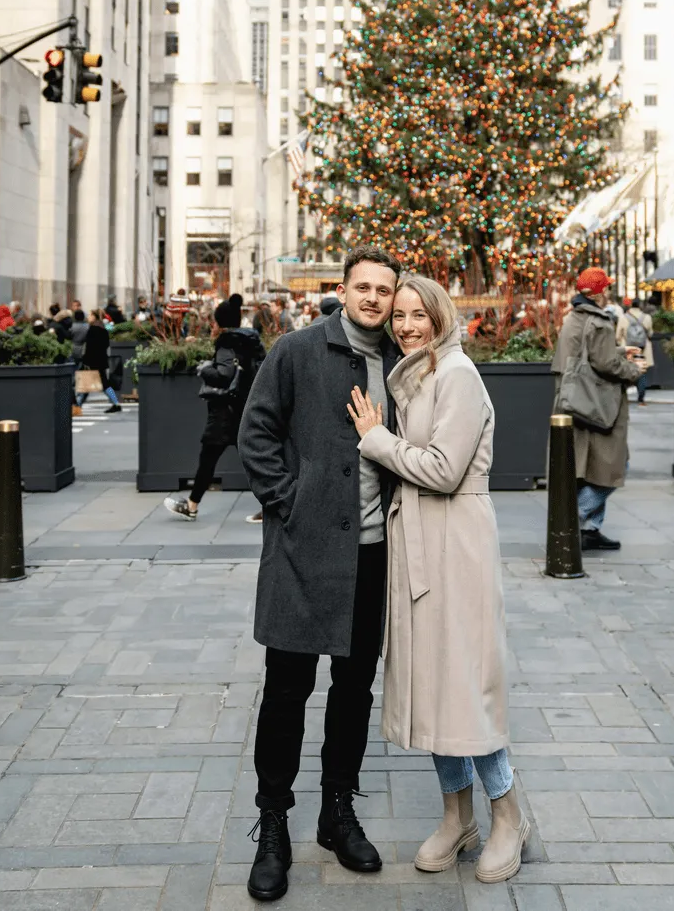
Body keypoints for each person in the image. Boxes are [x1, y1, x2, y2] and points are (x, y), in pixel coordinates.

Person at [349, 275, 529, 885]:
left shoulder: (457, 375)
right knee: (431, 682)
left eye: (417, 315)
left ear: (440, 316)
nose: (404, 326)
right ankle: (458, 816)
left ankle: (508, 816)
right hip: (420, 541)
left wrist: (376, 441)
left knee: (464, 683)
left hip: (457, 541)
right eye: (397, 316)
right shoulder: (422, 373)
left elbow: (446, 469)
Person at [238, 245, 402, 903]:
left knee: (355, 686)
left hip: (373, 552)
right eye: (362, 287)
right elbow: (256, 431)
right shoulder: (298, 349)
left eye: (383, 290)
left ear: (394, 296)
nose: (372, 298)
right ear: (343, 289)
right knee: (286, 688)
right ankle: (273, 822)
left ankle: (338, 809)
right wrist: (289, 502)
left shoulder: (400, 359)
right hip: (305, 553)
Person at [552, 268, 644, 551]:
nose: (608, 293)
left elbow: (586, 355)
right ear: (597, 293)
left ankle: (591, 529)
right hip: (598, 405)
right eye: (605, 288)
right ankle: (575, 519)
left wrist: (618, 351)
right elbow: (606, 365)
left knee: (588, 468)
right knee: (615, 465)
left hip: (576, 401)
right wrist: (633, 369)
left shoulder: (574, 319)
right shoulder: (600, 321)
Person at [164, 295, 265, 521]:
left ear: (219, 322)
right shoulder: (251, 341)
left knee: (209, 459)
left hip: (225, 412)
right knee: (254, 460)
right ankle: (272, 506)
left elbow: (224, 375)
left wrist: (205, 369)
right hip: (244, 409)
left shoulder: (227, 343)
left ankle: (191, 506)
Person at [77, 310, 121, 412]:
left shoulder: (92, 329)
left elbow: (89, 347)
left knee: (85, 384)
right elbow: (106, 345)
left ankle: (77, 406)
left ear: (94, 317)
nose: (88, 317)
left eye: (90, 315)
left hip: (92, 361)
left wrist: (85, 360)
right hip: (101, 360)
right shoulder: (104, 329)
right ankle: (115, 403)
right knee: (101, 383)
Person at [617, 298, 654, 406]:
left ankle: (623, 397)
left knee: (625, 372)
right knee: (641, 372)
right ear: (640, 305)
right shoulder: (647, 317)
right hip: (643, 350)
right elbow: (650, 333)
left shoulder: (623, 317)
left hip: (628, 349)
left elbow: (618, 335)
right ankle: (641, 399)